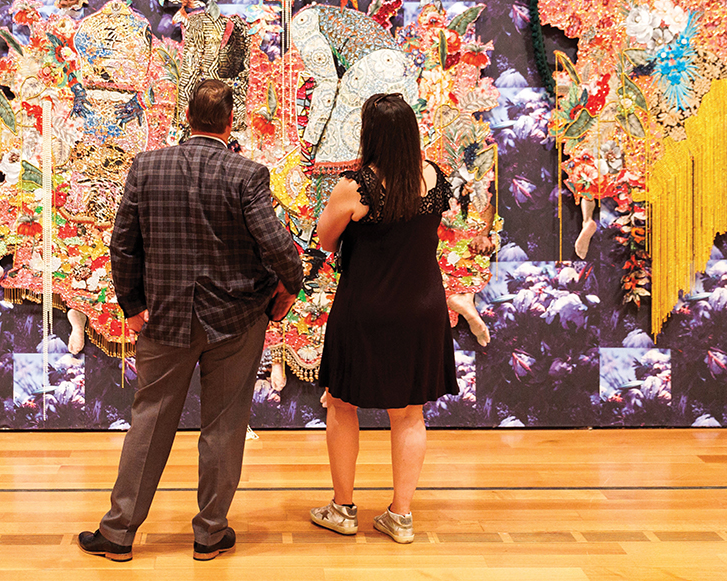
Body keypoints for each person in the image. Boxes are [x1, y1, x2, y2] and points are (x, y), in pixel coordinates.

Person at [78, 79, 303, 562]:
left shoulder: (147, 166)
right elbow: (281, 249)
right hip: (236, 320)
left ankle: (118, 534)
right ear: (229, 123)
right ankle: (209, 533)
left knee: (150, 420)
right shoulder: (248, 174)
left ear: (187, 118)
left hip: (164, 317)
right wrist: (288, 288)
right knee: (224, 425)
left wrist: (132, 305)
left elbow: (123, 244)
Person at [309, 92, 461, 545]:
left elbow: (325, 239)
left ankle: (342, 507)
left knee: (342, 403)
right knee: (410, 413)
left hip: (366, 308)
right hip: (422, 309)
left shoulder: (355, 187)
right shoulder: (434, 177)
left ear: (369, 133)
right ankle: (401, 515)